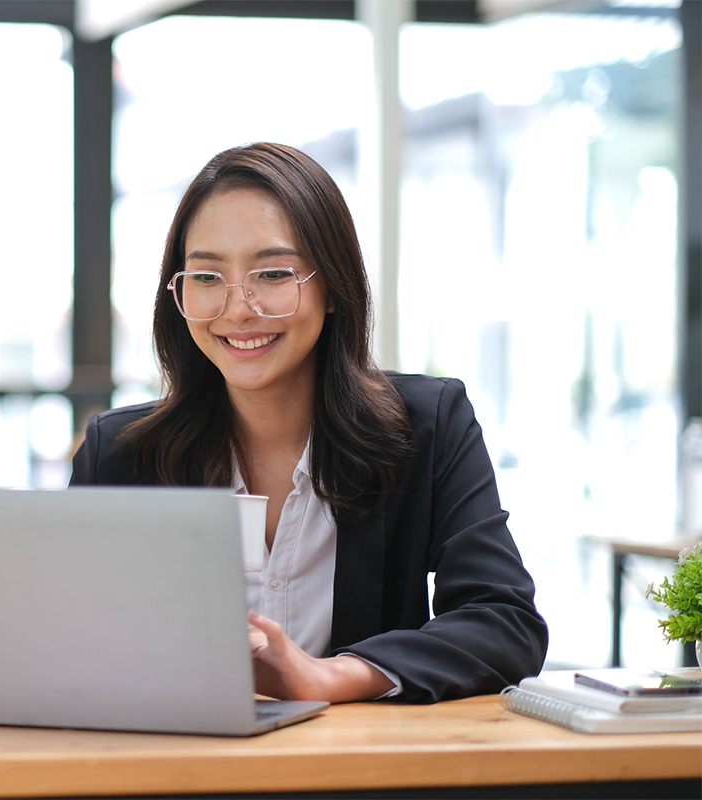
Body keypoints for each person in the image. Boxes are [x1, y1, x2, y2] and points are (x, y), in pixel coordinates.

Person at [70, 142, 548, 704]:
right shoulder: (120, 453)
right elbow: (72, 639)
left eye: (272, 273)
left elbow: (504, 621)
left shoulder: (427, 426)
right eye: (206, 277)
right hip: (184, 771)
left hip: (357, 774)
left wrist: (331, 676)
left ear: (333, 286)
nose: (238, 308)